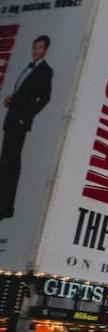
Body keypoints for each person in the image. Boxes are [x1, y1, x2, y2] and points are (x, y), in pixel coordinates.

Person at [0, 34, 53, 219]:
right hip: (12, 118)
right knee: (5, 161)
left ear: (45, 49)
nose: (35, 51)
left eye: (39, 47)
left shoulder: (45, 71)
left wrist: (27, 115)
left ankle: (6, 206)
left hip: (19, 121)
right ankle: (3, 203)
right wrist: (12, 100)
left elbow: (45, 97)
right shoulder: (29, 69)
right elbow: (25, 94)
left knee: (11, 162)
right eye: (34, 47)